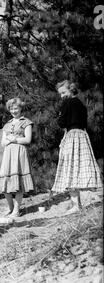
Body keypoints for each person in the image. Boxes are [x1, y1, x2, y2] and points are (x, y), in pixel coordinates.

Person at [51, 80, 103, 213]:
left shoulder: (67, 103)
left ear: (71, 90)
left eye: (64, 92)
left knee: (70, 169)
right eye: (60, 94)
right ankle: (78, 203)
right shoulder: (81, 104)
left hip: (72, 136)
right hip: (82, 135)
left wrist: (59, 117)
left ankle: (76, 205)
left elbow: (62, 123)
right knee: (79, 168)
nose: (62, 96)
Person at [0, 98, 34, 222]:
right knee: (4, 182)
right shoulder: (7, 124)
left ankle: (17, 210)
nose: (13, 110)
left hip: (20, 152)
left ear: (21, 108)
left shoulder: (26, 122)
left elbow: (27, 140)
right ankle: (10, 207)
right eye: (11, 108)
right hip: (8, 153)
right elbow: (3, 142)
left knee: (18, 182)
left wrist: (14, 139)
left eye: (16, 108)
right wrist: (8, 140)